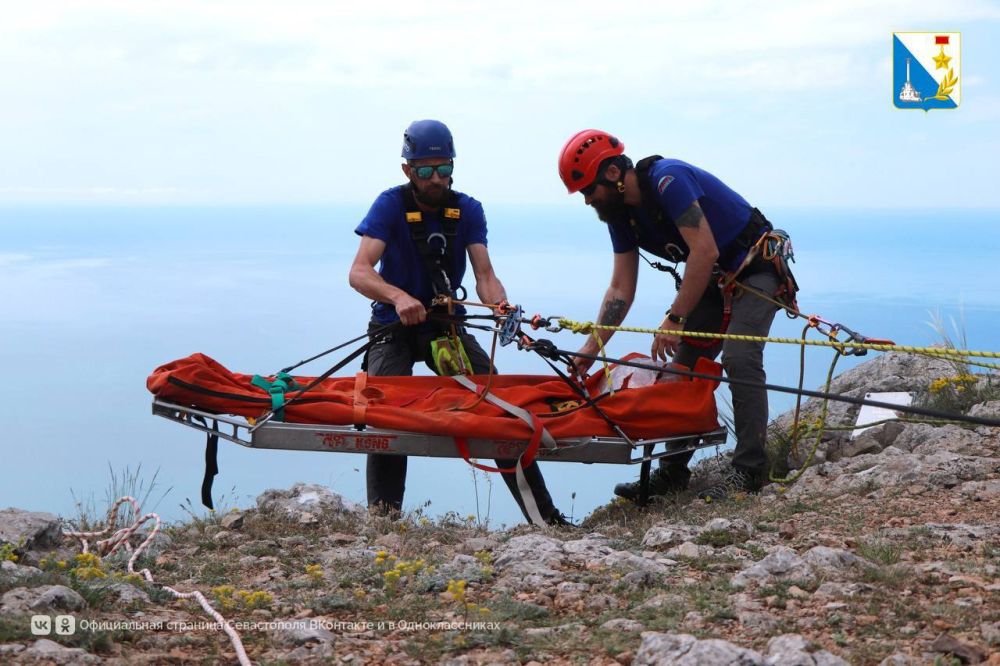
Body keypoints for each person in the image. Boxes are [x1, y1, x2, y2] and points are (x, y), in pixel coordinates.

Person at [557, 129, 798, 502]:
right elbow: (620, 288)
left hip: (755, 268)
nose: (588, 200)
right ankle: (672, 474)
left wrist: (676, 317)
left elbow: (704, 251)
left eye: (589, 190)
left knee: (740, 357)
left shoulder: (668, 180)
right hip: (713, 280)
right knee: (682, 368)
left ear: (613, 173)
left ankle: (749, 472)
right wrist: (590, 349)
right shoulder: (621, 216)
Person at [349, 119, 569, 526]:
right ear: (408, 170)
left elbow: (485, 274)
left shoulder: (467, 210)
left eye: (444, 168)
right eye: (426, 170)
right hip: (393, 327)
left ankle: (546, 520)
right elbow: (360, 272)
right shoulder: (390, 205)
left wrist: (499, 304)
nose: (436, 179)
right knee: (384, 412)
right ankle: (383, 522)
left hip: (445, 326)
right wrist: (399, 297)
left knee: (498, 407)